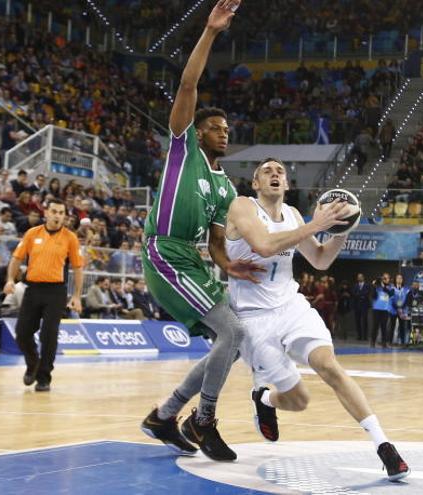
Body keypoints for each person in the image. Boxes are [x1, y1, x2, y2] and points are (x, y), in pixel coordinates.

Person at [224, 158, 409, 480]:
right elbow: (265, 246)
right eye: (266, 171)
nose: (275, 174)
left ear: (288, 184)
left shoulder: (293, 215)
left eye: (280, 171)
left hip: (291, 307)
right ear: (255, 184)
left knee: (329, 366)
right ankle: (265, 398)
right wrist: (318, 224)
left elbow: (321, 260)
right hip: (253, 318)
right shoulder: (243, 206)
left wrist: (342, 229)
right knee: (299, 401)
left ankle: (384, 446)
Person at [138, 0, 264, 462]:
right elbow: (189, 82)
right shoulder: (182, 147)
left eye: (227, 127)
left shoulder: (224, 185)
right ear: (199, 131)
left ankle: (166, 414)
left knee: (233, 344)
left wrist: (230, 264)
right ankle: (204, 418)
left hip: (192, 257)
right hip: (164, 252)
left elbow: (215, 242)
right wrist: (210, 32)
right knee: (230, 331)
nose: (224, 132)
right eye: (216, 127)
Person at [4, 199, 84, 392]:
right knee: (22, 333)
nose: (57, 215)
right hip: (32, 289)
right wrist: (9, 279)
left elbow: (78, 268)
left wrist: (77, 296)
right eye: (54, 211)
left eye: (61, 212)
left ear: (64, 216)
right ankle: (33, 363)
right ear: (46, 213)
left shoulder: (70, 238)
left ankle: (44, 377)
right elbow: (16, 258)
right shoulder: (32, 234)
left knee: (49, 336)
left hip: (56, 292)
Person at [371, 273, 392, 348]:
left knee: (384, 327)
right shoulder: (377, 287)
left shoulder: (390, 287)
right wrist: (374, 286)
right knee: (375, 326)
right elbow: (373, 296)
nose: (385, 280)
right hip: (376, 309)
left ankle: (384, 343)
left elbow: (390, 293)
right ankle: (372, 342)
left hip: (385, 309)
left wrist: (383, 286)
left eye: (387, 278)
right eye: (384, 278)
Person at [351, 273, 370, 340]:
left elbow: (367, 293)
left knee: (365, 321)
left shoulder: (367, 285)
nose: (359, 278)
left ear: (363, 277)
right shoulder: (355, 285)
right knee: (357, 321)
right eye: (358, 277)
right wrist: (360, 295)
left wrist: (360, 295)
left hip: (364, 305)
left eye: (361, 277)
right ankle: (359, 336)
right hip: (357, 305)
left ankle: (365, 336)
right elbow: (353, 293)